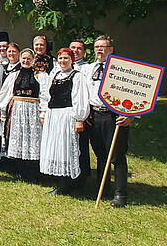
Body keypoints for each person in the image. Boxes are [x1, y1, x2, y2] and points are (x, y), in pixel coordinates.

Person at [81, 35, 133, 207]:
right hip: (95, 116)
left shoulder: (122, 70)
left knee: (117, 156)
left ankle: (120, 195)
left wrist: (131, 115)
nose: (99, 50)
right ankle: (102, 188)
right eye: (96, 47)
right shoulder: (88, 69)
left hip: (115, 117)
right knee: (101, 154)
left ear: (111, 49)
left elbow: (136, 93)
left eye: (103, 47)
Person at [39, 48, 90, 196]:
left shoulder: (77, 76)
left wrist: (79, 119)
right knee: (55, 148)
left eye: (66, 58)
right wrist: (44, 113)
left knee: (66, 148)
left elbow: (80, 98)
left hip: (67, 115)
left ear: (72, 60)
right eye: (60, 58)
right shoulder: (54, 75)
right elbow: (46, 96)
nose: (63, 61)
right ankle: (58, 181)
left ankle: (68, 183)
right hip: (53, 116)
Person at [0, 48, 47, 181]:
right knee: (19, 139)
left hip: (33, 111)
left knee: (33, 140)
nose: (26, 61)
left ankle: (34, 172)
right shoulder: (14, 75)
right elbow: (4, 93)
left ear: (33, 60)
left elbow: (45, 95)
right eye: (23, 58)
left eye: (29, 59)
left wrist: (43, 112)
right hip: (17, 111)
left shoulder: (40, 76)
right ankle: (21, 171)